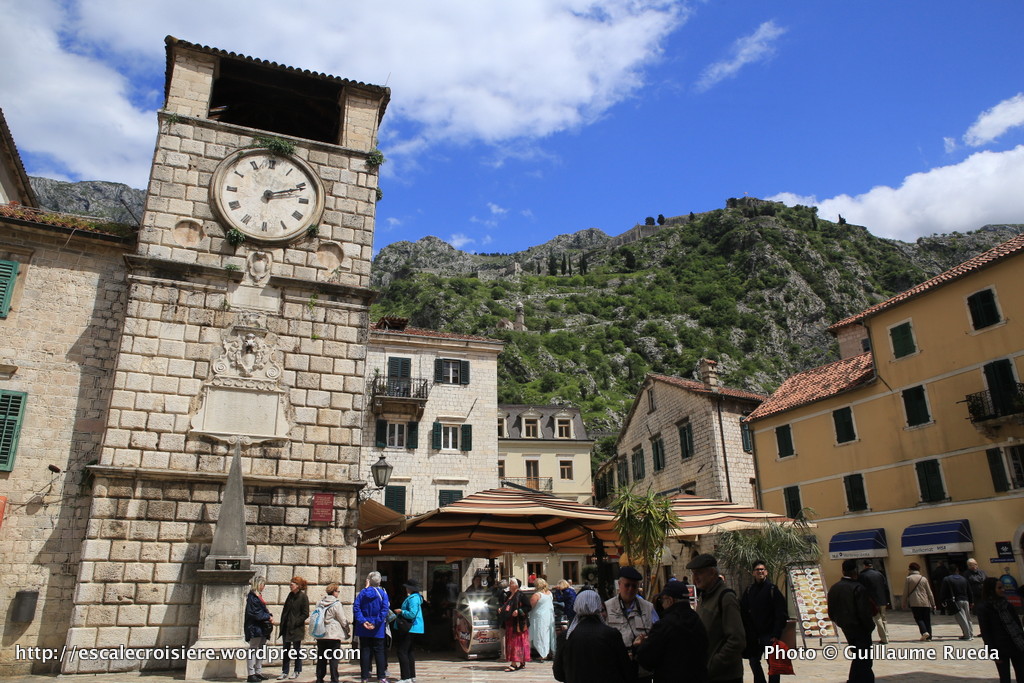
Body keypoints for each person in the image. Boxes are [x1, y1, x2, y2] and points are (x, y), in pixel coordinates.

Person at [634, 580, 709, 683]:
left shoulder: (664, 625)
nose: (662, 604)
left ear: (670, 600)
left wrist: (639, 646)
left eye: (662, 600)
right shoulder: (697, 620)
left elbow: (647, 660)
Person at [554, 589, 634, 683]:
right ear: (598, 606)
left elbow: (558, 674)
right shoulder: (611, 634)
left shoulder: (566, 636)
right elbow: (626, 669)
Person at [688, 554, 744, 683]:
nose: (695, 578)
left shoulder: (726, 598)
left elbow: (737, 640)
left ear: (712, 573)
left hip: (725, 676)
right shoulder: (704, 597)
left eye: (699, 573)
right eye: (693, 573)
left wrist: (713, 665)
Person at [827, 558, 875, 683]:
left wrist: (839, 622)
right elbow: (864, 611)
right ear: (855, 571)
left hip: (846, 627)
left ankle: (858, 679)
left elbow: (831, 611)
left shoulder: (834, 588)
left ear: (843, 571)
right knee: (864, 658)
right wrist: (870, 626)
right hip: (860, 627)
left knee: (858, 655)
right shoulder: (858, 588)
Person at [740, 560, 788, 683]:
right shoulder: (749, 590)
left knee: (773, 664)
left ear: (766, 572)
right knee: (753, 661)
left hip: (769, 635)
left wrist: (776, 634)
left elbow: (781, 613)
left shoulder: (772, 590)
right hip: (754, 636)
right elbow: (743, 612)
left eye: (762, 569)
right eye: (757, 570)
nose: (760, 572)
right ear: (753, 573)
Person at [976, 576, 1024, 683]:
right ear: (991, 590)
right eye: (999, 588)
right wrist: (992, 651)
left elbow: (1017, 625)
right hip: (1000, 647)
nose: (1003, 590)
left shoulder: (1008, 605)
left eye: (1003, 587)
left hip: (1017, 644)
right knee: (1005, 677)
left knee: (1022, 674)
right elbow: (986, 632)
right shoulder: (984, 608)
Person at [605, 566, 659, 658]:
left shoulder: (648, 608)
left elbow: (657, 635)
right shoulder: (607, 607)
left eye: (634, 586)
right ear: (619, 584)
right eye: (627, 585)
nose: (630, 589)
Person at [354, 571, 390, 683]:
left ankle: (364, 677)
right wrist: (376, 622)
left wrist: (363, 621)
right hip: (377, 627)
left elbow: (356, 607)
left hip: (363, 627)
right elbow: (385, 609)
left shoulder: (362, 593)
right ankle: (381, 676)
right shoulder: (382, 593)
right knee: (379, 652)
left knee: (365, 651)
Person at [313, 582, 351, 683]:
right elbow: (342, 619)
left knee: (321, 658)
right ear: (334, 592)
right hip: (333, 634)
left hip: (321, 633)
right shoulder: (337, 604)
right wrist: (347, 628)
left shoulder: (319, 603)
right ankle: (334, 679)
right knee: (334, 659)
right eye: (337, 591)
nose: (338, 593)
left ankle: (319, 678)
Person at [244, 576, 276, 683]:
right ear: (258, 584)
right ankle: (251, 674)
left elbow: (262, 610)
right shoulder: (252, 597)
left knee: (261, 649)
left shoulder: (258, 596)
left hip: (261, 627)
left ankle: (258, 671)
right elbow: (255, 613)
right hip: (255, 627)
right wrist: (268, 617)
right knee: (253, 649)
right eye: (263, 584)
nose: (264, 587)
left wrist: (269, 615)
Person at [392, 578, 424, 683]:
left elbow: (412, 614)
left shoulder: (413, 599)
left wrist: (401, 611)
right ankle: (411, 676)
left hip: (410, 627)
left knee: (402, 651)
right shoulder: (416, 597)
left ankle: (405, 677)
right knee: (409, 651)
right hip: (414, 628)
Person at [279, 576, 310, 681]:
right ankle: (285, 671)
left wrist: (296, 622)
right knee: (286, 650)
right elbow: (285, 610)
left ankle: (297, 670)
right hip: (286, 627)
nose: (290, 585)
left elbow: (305, 613)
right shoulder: (290, 595)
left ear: (298, 586)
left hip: (296, 628)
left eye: (292, 584)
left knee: (296, 650)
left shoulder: (303, 597)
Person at [498, 577, 531, 671]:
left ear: (516, 585)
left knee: (517, 643)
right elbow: (506, 605)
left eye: (511, 583)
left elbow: (528, 607)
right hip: (509, 623)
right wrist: (501, 609)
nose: (510, 585)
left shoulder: (521, 595)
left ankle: (514, 664)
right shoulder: (508, 595)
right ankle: (520, 662)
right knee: (512, 643)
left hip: (518, 624)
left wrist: (519, 611)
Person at [857, 560, 890, 644]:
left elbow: (861, 590)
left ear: (865, 566)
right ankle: (886, 635)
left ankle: (884, 638)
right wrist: (887, 600)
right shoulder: (879, 574)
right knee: (883, 618)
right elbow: (885, 587)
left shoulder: (862, 576)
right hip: (882, 600)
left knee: (877, 619)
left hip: (872, 601)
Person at [903, 562, 936, 641]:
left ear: (910, 569)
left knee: (919, 618)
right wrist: (933, 603)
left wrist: (904, 602)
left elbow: (905, 592)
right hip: (925, 602)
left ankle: (924, 632)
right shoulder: (923, 579)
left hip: (914, 602)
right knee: (927, 619)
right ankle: (929, 637)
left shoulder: (909, 579)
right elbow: (929, 592)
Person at [940, 563, 974, 640]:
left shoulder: (947, 579)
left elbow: (943, 591)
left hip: (956, 601)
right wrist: (971, 601)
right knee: (968, 618)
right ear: (957, 570)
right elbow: (969, 591)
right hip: (966, 600)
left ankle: (967, 635)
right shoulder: (963, 579)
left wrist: (942, 600)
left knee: (961, 619)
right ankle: (970, 633)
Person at [530, 577, 556, 659]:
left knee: (540, 634)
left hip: (539, 617)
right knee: (549, 634)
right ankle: (550, 652)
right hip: (549, 616)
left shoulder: (537, 595)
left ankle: (543, 653)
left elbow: (530, 606)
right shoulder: (549, 593)